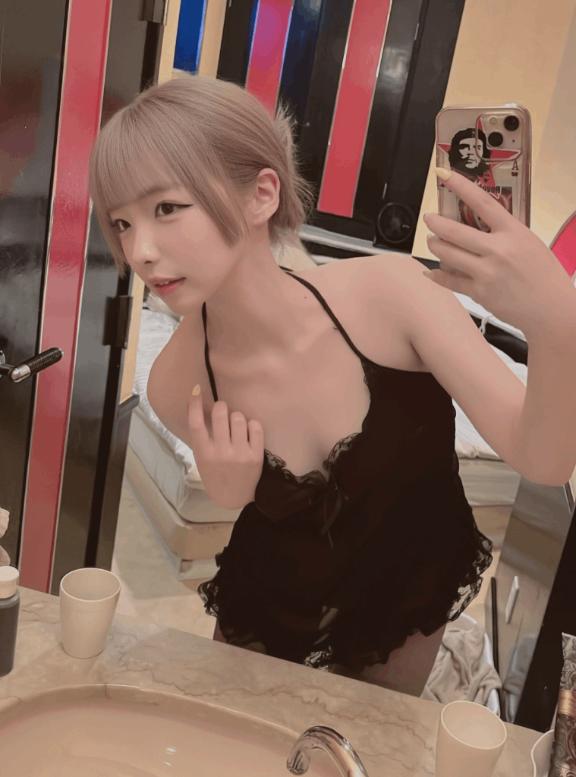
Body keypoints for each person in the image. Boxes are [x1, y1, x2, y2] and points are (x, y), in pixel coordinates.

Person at [89, 75, 576, 696]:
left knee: (369, 740)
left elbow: (542, 457)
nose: (139, 251)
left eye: (165, 208)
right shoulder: (175, 383)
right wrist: (230, 490)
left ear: (262, 194)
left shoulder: (394, 295)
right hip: (270, 599)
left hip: (410, 587)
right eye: (121, 223)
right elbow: (255, 508)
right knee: (239, 734)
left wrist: (557, 318)